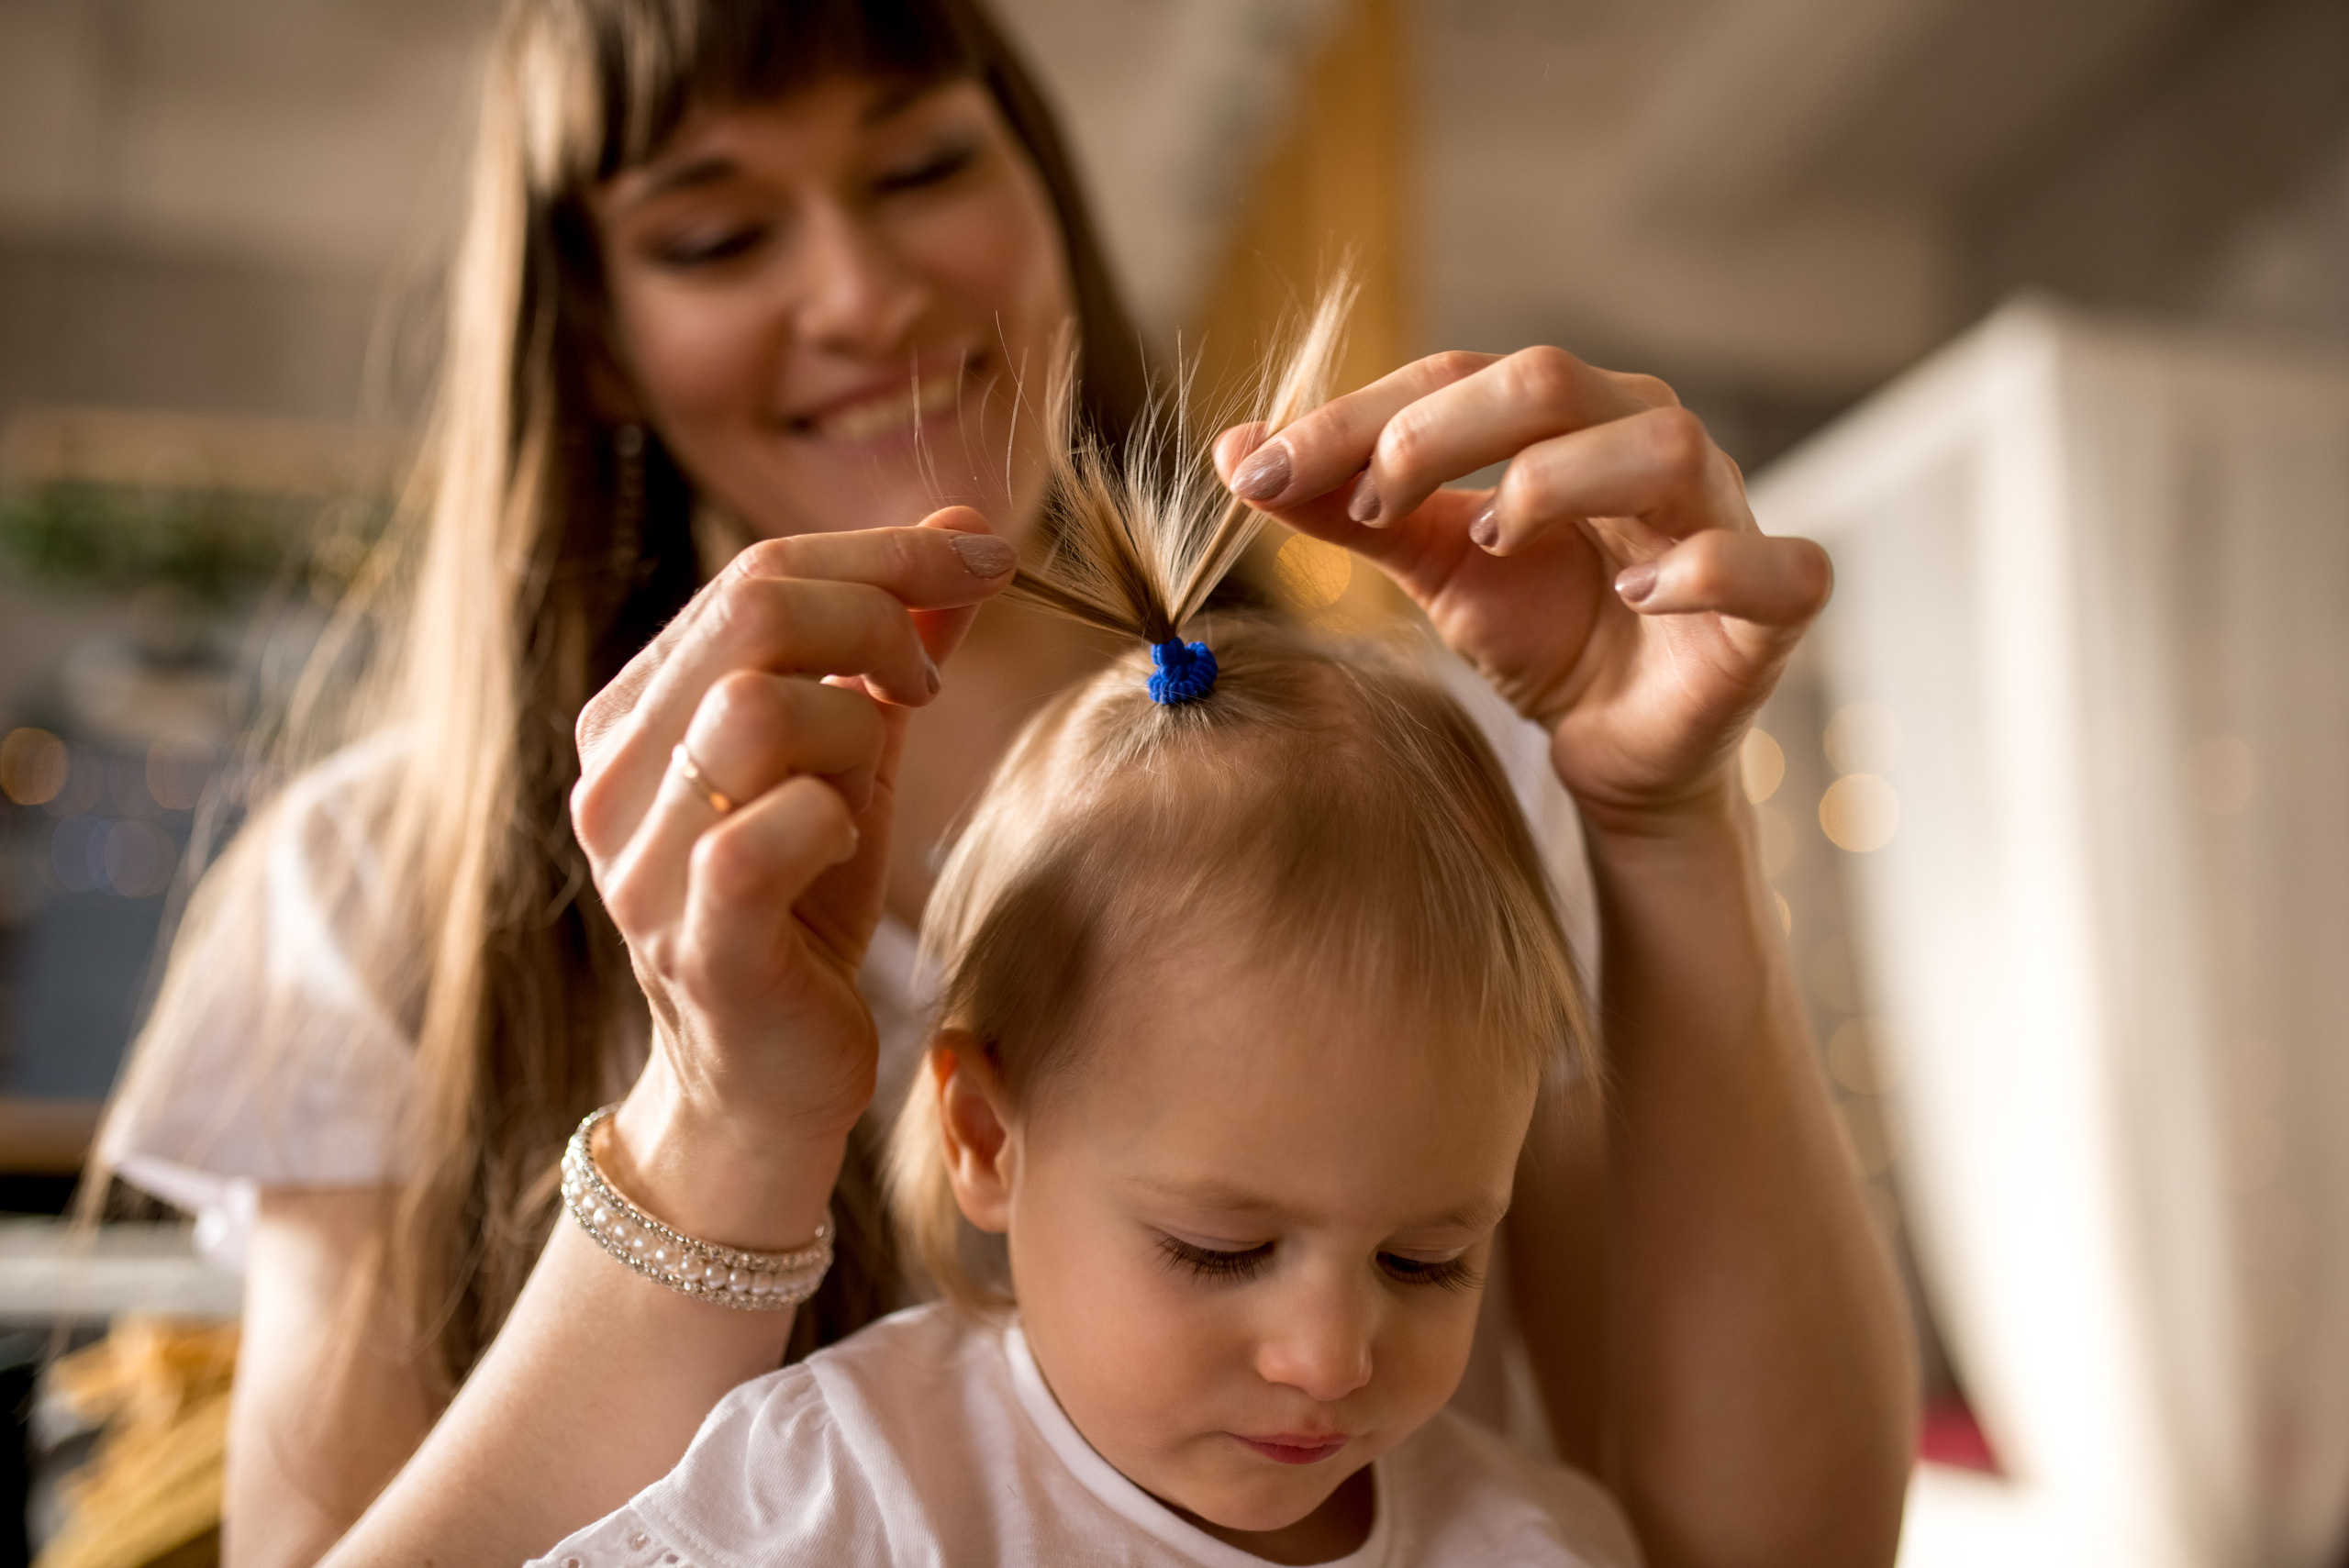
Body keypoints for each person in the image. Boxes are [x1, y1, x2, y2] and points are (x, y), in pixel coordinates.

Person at [91, 1, 1915, 1565]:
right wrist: (718, 1130)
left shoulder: (1443, 782)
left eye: (920, 168)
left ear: (1044, 185)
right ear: (594, 341)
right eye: (716, 236)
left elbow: (1764, 1546)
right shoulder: (361, 891)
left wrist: (1659, 818)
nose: (867, 290)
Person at [533, 384, 1639, 1562]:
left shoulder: (1533, 1540)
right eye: (1220, 1248)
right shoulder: (847, 1488)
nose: (1330, 1358)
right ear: (986, 1133)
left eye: (1427, 1260)